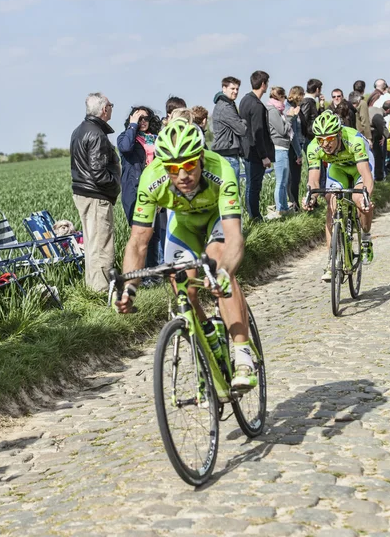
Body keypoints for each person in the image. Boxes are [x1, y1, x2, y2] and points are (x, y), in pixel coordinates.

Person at [116, 119, 257, 391]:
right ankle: (208, 340)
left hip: (217, 218)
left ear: (201, 158)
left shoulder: (221, 170)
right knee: (183, 287)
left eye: (190, 165)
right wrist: (129, 287)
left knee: (217, 270)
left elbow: (235, 237)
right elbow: (138, 241)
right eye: (173, 169)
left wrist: (226, 271)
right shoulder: (151, 180)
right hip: (183, 225)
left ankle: (242, 356)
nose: (182, 175)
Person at [303, 111, 374, 282]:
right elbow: (313, 178)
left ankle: (365, 237)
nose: (325, 144)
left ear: (339, 134)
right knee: (332, 205)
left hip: (360, 168)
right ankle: (332, 260)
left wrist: (366, 196)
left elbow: (366, 176)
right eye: (321, 139)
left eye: (329, 139)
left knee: (360, 200)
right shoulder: (314, 147)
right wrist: (310, 196)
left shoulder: (354, 141)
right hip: (338, 169)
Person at [71, 92, 121, 292]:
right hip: (96, 195)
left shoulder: (79, 130)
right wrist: (115, 185)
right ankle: (101, 292)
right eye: (111, 105)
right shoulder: (96, 134)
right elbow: (98, 172)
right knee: (102, 245)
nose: (111, 108)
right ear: (103, 109)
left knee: (91, 244)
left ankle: (92, 288)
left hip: (83, 193)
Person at [117, 106, 163, 269]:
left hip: (155, 189)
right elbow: (125, 148)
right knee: (140, 235)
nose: (143, 122)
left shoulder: (156, 138)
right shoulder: (126, 137)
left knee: (155, 234)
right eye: (140, 118)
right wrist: (132, 125)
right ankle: (140, 274)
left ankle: (153, 271)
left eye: (146, 118)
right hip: (135, 191)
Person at [239, 70, 274, 221]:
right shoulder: (257, 105)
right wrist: (264, 156)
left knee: (249, 186)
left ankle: (251, 215)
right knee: (255, 186)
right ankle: (256, 217)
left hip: (246, 149)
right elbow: (258, 133)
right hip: (256, 152)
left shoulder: (244, 100)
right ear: (263, 84)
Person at [266, 86, 297, 218]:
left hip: (282, 147)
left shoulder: (277, 110)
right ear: (280, 97)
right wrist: (290, 117)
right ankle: (280, 208)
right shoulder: (273, 111)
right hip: (279, 147)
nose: (285, 102)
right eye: (284, 98)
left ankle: (283, 207)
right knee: (281, 181)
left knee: (283, 180)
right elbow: (282, 130)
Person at [211, 76, 246, 184]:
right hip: (227, 154)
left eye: (237, 89)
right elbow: (242, 129)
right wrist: (244, 121)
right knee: (233, 191)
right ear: (224, 88)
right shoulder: (226, 107)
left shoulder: (228, 104)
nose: (235, 91)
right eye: (232, 89)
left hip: (226, 152)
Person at [285, 86, 305, 211]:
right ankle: (294, 205)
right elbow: (292, 134)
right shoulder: (291, 109)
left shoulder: (291, 107)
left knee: (292, 178)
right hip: (293, 148)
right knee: (293, 178)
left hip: (294, 146)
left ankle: (294, 204)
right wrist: (299, 153)